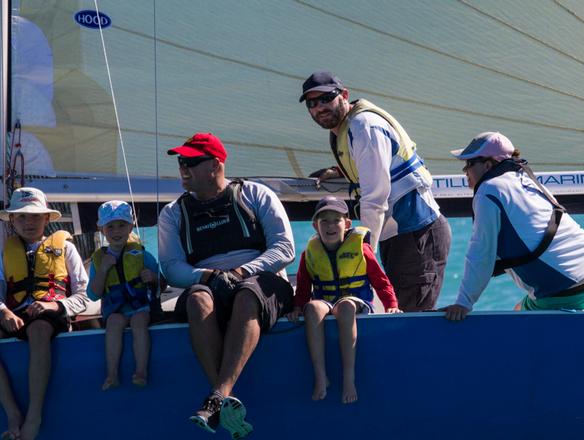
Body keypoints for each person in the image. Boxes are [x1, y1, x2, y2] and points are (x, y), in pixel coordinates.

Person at [158, 133, 295, 438]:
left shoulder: (256, 194)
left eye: (191, 162)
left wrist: (241, 271)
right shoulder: (173, 213)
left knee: (247, 295)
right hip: (208, 285)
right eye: (181, 162)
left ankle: (217, 396)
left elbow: (284, 248)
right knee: (196, 301)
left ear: (216, 166)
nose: (183, 167)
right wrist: (206, 277)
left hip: (258, 281)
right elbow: (171, 267)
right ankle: (222, 398)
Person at [300, 71, 452, 311]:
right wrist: (339, 171)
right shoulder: (345, 128)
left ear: (344, 95)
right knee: (399, 316)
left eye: (327, 98)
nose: (320, 107)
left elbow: (375, 197)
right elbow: (377, 163)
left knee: (409, 321)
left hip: (417, 234)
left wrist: (361, 250)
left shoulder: (363, 126)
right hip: (399, 235)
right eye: (312, 103)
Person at [0, 187, 89, 440]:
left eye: (35, 216)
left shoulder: (66, 249)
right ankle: (12, 412)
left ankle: (34, 415)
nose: (28, 222)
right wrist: (4, 314)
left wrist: (54, 306)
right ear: (12, 221)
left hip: (50, 316)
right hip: (15, 316)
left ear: (47, 219)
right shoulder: (4, 256)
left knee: (38, 329)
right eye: (21, 216)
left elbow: (83, 295)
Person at [443, 132, 584, 321]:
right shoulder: (526, 177)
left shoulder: (488, 190)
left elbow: (481, 252)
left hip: (567, 290)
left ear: (488, 165)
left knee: (518, 325)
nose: (465, 170)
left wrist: (463, 303)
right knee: (519, 308)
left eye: (470, 163)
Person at [287, 196, 400, 404]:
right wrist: (297, 307)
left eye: (336, 220)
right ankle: (321, 377)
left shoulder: (361, 249)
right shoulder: (309, 254)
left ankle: (349, 377)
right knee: (311, 309)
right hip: (326, 302)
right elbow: (303, 288)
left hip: (356, 302)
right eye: (324, 221)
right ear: (315, 225)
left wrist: (391, 305)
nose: (330, 226)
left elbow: (381, 281)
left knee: (346, 307)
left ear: (347, 224)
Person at [87, 200, 159, 390]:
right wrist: (103, 270)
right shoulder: (98, 260)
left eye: (121, 225)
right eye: (110, 227)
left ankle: (141, 371)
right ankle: (112, 374)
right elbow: (93, 295)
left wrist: (152, 277)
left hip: (140, 308)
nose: (116, 231)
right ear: (101, 229)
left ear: (131, 226)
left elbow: (161, 282)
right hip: (116, 311)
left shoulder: (143, 255)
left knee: (139, 321)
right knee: (113, 322)